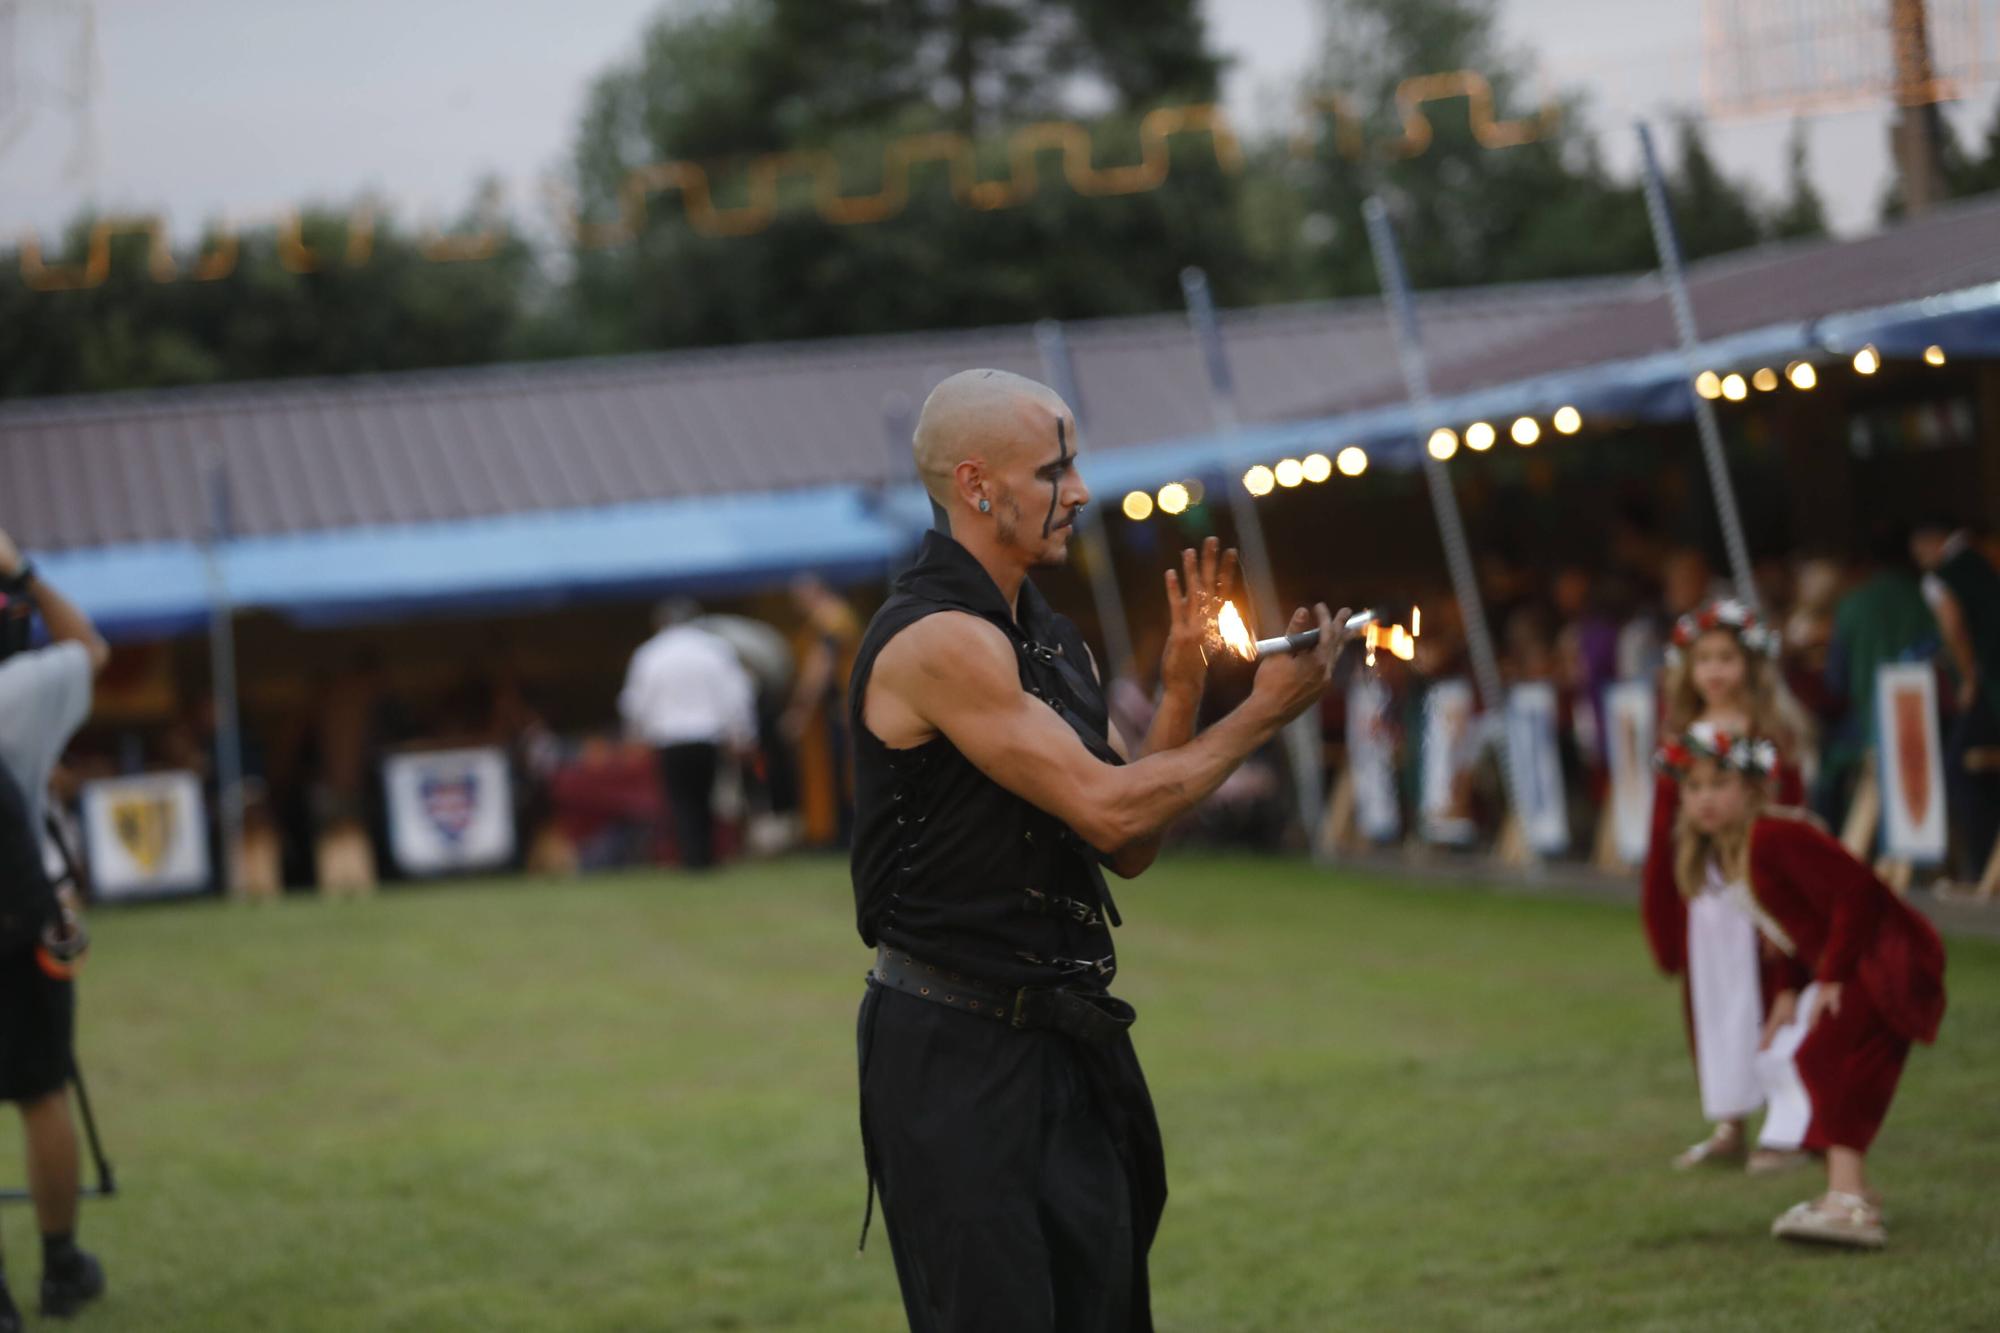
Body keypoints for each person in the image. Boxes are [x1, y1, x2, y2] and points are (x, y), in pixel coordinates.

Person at [850, 369, 1343, 1332]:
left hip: (1069, 1045)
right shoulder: (939, 639)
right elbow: (1113, 812)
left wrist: (1182, 690)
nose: (1080, 490)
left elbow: (1127, 847)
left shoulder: (1049, 639)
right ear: (977, 483)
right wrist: (1261, 715)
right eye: (1057, 468)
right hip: (956, 1056)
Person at [1658, 724, 1945, 1248]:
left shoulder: (1774, 835)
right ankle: (1849, 1194)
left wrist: (1832, 977)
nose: (1705, 800)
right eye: (1694, 788)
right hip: (1858, 960)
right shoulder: (1730, 852)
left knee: (1828, 1056)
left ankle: (1851, 1201)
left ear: (1749, 789)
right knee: (1815, 1058)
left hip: (1885, 957)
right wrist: (1789, 993)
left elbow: (1856, 892)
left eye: (1718, 786)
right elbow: (1787, 932)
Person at [1640, 599, 1811, 1174]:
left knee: (1770, 1001)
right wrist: (1662, 907)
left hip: (1758, 883)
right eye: (1704, 659)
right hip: (1705, 889)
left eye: (1727, 658)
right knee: (1716, 1003)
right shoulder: (1681, 738)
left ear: (1750, 664)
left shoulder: (1768, 736)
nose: (1715, 671)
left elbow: (1790, 812)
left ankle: (1787, 1121)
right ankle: (1729, 1119)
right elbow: (1665, 827)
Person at [0, 525, 111, 1327]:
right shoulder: (26, 687)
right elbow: (91, 647)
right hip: (23, 915)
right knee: (41, 1091)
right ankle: (60, 1264)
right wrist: (23, 571)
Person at [618, 598, 757, 870]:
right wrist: (742, 733)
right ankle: (704, 855)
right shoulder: (715, 650)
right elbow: (736, 694)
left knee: (681, 799)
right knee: (706, 796)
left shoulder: (649, 654)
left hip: (670, 737)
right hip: (707, 735)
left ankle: (691, 857)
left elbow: (635, 701)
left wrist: (635, 733)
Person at [1910, 520, 2000, 881]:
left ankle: (1981, 869)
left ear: (1932, 542)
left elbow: (1953, 625)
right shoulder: (1985, 562)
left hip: (1991, 685)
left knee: (1959, 767)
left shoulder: (1941, 577)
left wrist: (1968, 678)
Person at [781, 576, 862, 848]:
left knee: (840, 773)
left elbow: (820, 667)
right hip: (839, 706)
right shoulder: (834, 616)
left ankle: (841, 835)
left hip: (836, 707)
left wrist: (800, 710)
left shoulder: (830, 617)